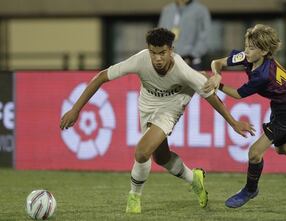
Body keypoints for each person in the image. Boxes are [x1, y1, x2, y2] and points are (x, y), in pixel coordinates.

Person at [60, 28, 255, 213]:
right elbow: (102, 77)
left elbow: (212, 96)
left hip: (172, 106)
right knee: (161, 158)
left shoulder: (182, 70)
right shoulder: (141, 60)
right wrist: (76, 109)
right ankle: (194, 179)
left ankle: (134, 198)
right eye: (153, 53)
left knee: (142, 151)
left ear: (171, 50)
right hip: (146, 106)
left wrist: (233, 122)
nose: (157, 58)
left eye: (162, 52)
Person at [203, 24, 286, 208]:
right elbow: (216, 63)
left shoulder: (263, 75)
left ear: (265, 51)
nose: (246, 51)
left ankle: (250, 190)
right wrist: (217, 75)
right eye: (246, 46)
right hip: (282, 105)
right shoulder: (247, 56)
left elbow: (236, 94)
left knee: (254, 153)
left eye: (251, 48)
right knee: (284, 149)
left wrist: (216, 85)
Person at [158, 0, 211, 70]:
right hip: (169, 61)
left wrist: (191, 56)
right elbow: (160, 34)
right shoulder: (167, 10)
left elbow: (205, 36)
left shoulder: (201, 10)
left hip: (191, 62)